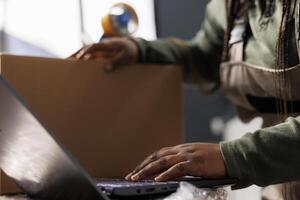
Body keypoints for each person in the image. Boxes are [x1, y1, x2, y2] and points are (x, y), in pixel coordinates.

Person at [71, 0, 300, 199]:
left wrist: (232, 157)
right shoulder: (232, 5)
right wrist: (141, 51)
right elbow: (206, 56)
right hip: (278, 185)